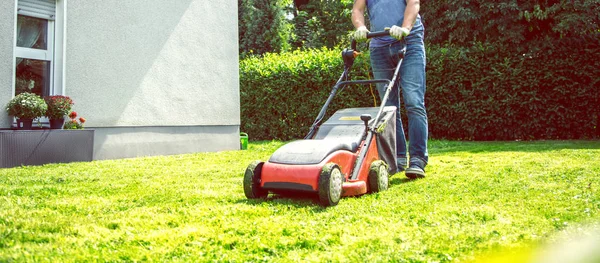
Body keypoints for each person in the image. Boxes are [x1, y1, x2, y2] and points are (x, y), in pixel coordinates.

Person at [351, 0, 428, 178]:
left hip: (409, 41)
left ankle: (417, 159)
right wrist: (361, 27)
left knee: (414, 101)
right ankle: (398, 157)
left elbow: (414, 3)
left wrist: (405, 28)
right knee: (389, 108)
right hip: (379, 47)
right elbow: (357, 9)